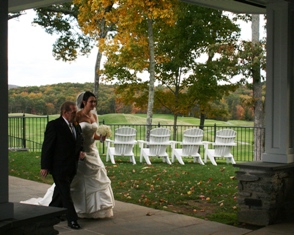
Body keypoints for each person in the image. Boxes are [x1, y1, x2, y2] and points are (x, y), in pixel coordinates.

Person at [40, 101, 84, 230]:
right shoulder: (54, 125)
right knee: (65, 193)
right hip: (59, 166)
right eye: (73, 112)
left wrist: (81, 151)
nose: (76, 114)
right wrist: (45, 166)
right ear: (65, 112)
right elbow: (47, 146)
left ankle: (50, 214)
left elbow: (79, 141)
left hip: (72, 166)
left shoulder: (76, 126)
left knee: (60, 192)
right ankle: (72, 219)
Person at [71, 91, 114, 218]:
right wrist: (77, 151)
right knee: (79, 180)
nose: (94, 104)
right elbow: (73, 136)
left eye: (95, 101)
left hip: (93, 151)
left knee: (98, 178)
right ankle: (78, 208)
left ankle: (99, 209)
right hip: (81, 152)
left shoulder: (94, 117)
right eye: (91, 101)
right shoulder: (77, 116)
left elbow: (93, 135)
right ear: (84, 102)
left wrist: (101, 137)